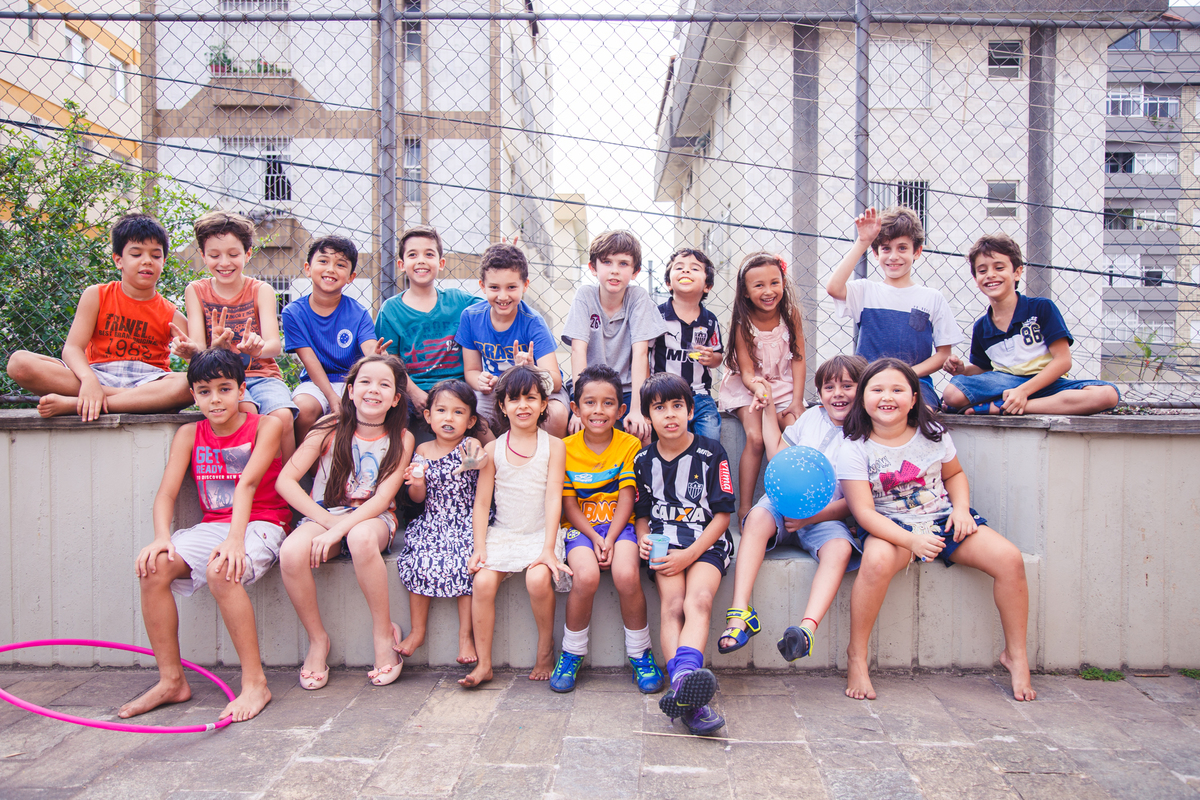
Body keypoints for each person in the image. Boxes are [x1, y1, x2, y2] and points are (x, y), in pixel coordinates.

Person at [837, 358, 1035, 702]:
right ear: (863, 398)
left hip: (943, 518)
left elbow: (954, 475)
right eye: (878, 389)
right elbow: (864, 513)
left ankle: (1016, 655)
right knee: (876, 563)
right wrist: (911, 540)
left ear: (914, 398)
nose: (888, 397)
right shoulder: (855, 447)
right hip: (891, 526)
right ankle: (857, 656)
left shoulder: (933, 434)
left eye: (898, 390)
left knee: (1009, 559)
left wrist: (960, 510)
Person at [118, 347, 290, 722]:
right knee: (153, 567)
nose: (215, 399)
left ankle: (255, 682)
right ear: (193, 395)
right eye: (204, 391)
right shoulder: (188, 433)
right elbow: (165, 493)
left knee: (221, 570)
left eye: (224, 389)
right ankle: (172, 681)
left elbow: (247, 484)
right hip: (213, 526)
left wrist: (233, 539)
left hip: (262, 522)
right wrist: (162, 537)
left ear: (242, 389)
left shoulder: (266, 425)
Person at [275, 354, 414, 689]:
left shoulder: (402, 438)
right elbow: (286, 481)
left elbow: (381, 499)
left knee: (361, 538)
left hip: (374, 516)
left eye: (384, 385)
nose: (373, 390)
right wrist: (326, 522)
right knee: (292, 552)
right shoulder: (327, 427)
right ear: (350, 391)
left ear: (396, 398)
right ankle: (318, 639)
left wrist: (338, 531)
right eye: (365, 382)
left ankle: (383, 635)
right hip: (328, 511)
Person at [718, 355, 869, 660]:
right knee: (756, 518)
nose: (837, 393)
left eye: (847, 386)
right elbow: (778, 455)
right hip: (782, 504)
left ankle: (806, 630)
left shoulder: (866, 436)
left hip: (826, 514)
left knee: (840, 549)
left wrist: (812, 517)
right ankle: (739, 614)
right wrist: (769, 407)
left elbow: (854, 502)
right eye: (829, 387)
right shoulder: (812, 419)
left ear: (863, 389)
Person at [6, 212, 193, 418]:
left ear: (164, 262)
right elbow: (72, 348)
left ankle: (80, 403)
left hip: (147, 380)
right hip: (97, 374)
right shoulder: (96, 295)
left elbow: (199, 363)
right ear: (118, 260)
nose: (147, 261)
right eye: (137, 254)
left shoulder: (172, 315)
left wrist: (189, 354)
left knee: (190, 383)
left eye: (155, 256)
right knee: (20, 363)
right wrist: (88, 380)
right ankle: (134, 401)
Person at [549, 365, 665, 694]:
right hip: (582, 529)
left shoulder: (628, 445)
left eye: (608, 403)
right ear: (575, 408)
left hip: (620, 526)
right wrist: (597, 538)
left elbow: (628, 497)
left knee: (627, 574)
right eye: (589, 402)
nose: (598, 411)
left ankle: (640, 653)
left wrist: (611, 537)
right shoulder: (566, 448)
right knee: (584, 577)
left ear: (621, 409)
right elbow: (569, 506)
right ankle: (571, 652)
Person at [635, 373, 735, 737]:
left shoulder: (711, 452)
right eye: (659, 408)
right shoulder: (643, 459)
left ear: (691, 411)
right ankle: (685, 687)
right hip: (666, 543)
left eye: (677, 406)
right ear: (649, 416)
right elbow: (642, 514)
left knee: (699, 601)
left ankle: (682, 683)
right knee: (672, 605)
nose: (670, 414)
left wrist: (690, 554)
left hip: (706, 543)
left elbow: (723, 516)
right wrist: (645, 539)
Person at [459, 366, 571, 688]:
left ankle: (545, 649)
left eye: (531, 398)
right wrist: (480, 547)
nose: (523, 405)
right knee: (481, 583)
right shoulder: (493, 449)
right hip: (504, 533)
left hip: (540, 533)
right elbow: (482, 504)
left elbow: (553, 499)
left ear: (544, 404)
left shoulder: (555, 446)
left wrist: (549, 549)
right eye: (514, 399)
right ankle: (484, 664)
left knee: (538, 579)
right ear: (502, 406)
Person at [941, 234, 1119, 415]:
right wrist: (963, 370)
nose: (991, 275)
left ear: (1017, 272)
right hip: (1005, 383)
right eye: (982, 270)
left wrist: (1023, 391)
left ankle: (999, 407)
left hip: (1047, 383)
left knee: (1107, 395)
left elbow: (1063, 361)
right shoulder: (981, 327)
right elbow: (985, 369)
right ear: (975, 278)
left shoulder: (1041, 308)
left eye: (999, 267)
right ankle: (1010, 403)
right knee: (951, 394)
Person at [171, 211, 297, 461]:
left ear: (247, 254)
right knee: (244, 410)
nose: (224, 263)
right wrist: (206, 350)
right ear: (203, 255)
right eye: (215, 255)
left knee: (282, 416)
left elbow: (274, 346)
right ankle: (248, 481)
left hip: (262, 376)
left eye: (233, 254)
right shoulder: (196, 291)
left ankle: (287, 483)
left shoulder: (261, 290)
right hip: (221, 379)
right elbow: (199, 348)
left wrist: (256, 349)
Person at [825, 207, 961, 408]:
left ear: (917, 251)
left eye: (902, 248)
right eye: (886, 248)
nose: (894, 256)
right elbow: (833, 288)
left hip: (916, 382)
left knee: (924, 414)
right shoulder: (866, 290)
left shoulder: (932, 298)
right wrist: (863, 241)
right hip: (870, 381)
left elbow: (943, 354)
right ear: (876, 252)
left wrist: (905, 374)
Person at [395, 379, 488, 665]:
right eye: (442, 411)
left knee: (464, 565)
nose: (449, 418)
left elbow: (481, 461)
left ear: (471, 420)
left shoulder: (469, 443)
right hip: (433, 520)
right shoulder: (422, 450)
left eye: (458, 412)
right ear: (428, 416)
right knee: (420, 559)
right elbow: (417, 497)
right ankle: (418, 631)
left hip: (465, 520)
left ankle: (465, 636)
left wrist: (468, 463)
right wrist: (418, 481)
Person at [717, 252, 806, 522]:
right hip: (749, 388)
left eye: (774, 283)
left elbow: (799, 359)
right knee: (756, 438)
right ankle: (746, 506)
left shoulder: (790, 315)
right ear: (745, 291)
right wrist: (761, 393)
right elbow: (746, 374)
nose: (769, 291)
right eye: (759, 286)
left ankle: (793, 505)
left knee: (794, 433)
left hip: (784, 386)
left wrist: (797, 401)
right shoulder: (743, 323)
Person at [560, 230, 669, 444]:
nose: (615, 271)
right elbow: (578, 350)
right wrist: (581, 405)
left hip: (627, 388)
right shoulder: (585, 296)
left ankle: (639, 477)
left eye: (623, 264)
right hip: (589, 386)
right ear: (593, 267)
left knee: (642, 432)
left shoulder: (637, 297)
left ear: (635, 271)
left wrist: (637, 409)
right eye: (607, 262)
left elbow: (641, 353)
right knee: (577, 431)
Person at [374, 225, 484, 432]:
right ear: (401, 264)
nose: (421, 260)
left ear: (441, 263)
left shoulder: (459, 301)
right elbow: (392, 362)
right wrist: (415, 394)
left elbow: (496, 306)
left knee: (482, 422)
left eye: (429, 254)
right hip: (413, 390)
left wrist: (501, 266)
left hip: (457, 390)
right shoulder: (391, 310)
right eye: (413, 254)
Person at [455, 243, 570, 436]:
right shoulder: (471, 317)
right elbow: (472, 371)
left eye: (511, 287)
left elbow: (556, 381)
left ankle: (549, 462)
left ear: (525, 285)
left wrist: (533, 370)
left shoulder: (533, 323)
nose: (502, 296)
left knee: (556, 414)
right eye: (494, 287)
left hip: (534, 390)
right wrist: (480, 381)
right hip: (497, 391)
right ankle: (496, 457)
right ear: (482, 286)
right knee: (469, 416)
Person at [281, 235, 382, 443]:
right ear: (308, 268)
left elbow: (370, 347)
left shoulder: (358, 312)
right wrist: (331, 397)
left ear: (351, 276)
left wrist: (378, 357)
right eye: (323, 261)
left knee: (369, 408)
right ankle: (308, 471)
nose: (331, 269)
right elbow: (309, 361)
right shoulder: (293, 312)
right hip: (316, 382)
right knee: (303, 408)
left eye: (340, 264)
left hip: (352, 381)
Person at [649, 248, 724, 440]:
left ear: (707, 285)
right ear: (668, 283)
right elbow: (644, 353)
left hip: (700, 397)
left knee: (710, 439)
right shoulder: (657, 316)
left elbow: (718, 356)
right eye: (679, 267)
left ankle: (705, 468)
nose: (686, 271)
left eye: (695, 268)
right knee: (662, 442)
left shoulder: (709, 321)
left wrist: (711, 357)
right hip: (664, 395)